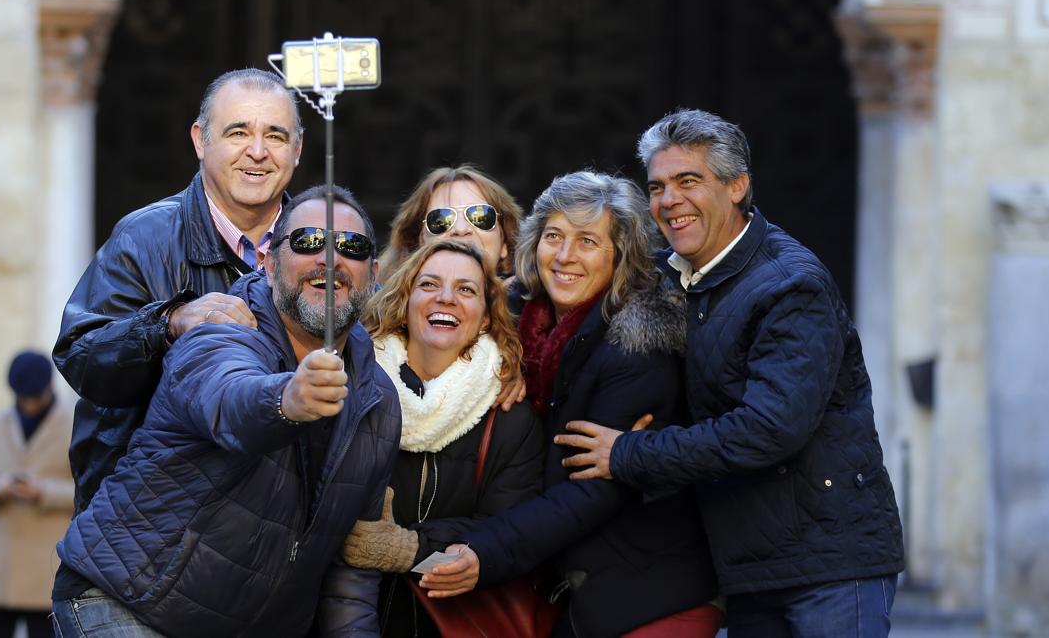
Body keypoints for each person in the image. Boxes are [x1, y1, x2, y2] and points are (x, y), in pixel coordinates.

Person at [555, 109, 905, 637]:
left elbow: (769, 429)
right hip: (747, 565)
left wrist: (629, 453)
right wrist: (506, 357)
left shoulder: (789, 285)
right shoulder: (665, 276)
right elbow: (565, 296)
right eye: (657, 186)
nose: (669, 200)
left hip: (831, 563)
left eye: (688, 181)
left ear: (737, 186)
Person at [51, 186, 401, 637]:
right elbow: (231, 399)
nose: (329, 260)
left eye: (350, 247)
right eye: (308, 242)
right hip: (127, 603)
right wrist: (288, 399)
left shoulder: (380, 403)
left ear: (373, 273)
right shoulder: (220, 335)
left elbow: (347, 579)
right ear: (270, 265)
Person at [419, 171, 721, 637]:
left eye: (586, 241)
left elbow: (590, 489)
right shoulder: (518, 324)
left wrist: (484, 551)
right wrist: (506, 356)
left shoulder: (636, 348)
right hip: (570, 596)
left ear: (620, 255)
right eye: (554, 236)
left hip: (647, 599)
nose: (564, 256)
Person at [52, 67, 302, 517]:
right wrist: (165, 325)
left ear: (298, 150)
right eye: (238, 132)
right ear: (200, 140)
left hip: (279, 538)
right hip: (150, 534)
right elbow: (80, 357)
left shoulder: (324, 246)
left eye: (277, 136)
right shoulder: (143, 237)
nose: (258, 152)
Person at [340, 239, 545, 636]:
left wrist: (408, 550)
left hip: (455, 621)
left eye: (466, 289)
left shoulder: (509, 415)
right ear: (405, 302)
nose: (447, 298)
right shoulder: (351, 387)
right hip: (346, 614)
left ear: (486, 317)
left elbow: (505, 534)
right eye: (429, 285)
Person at [0, 351, 74, 638]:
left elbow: (89, 491)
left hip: (47, 569)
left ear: (49, 388)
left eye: (36, 395)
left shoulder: (74, 425)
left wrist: (43, 491)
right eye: (24, 396)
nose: (30, 403)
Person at [378, 165, 523, 281]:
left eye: (480, 215)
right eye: (440, 219)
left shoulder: (532, 314)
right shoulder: (379, 317)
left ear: (504, 244)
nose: (460, 229)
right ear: (417, 242)